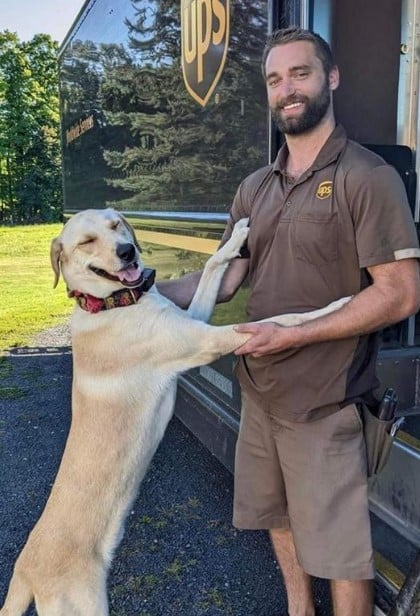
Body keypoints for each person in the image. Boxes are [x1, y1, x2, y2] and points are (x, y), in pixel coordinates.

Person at [158, 27, 420, 616]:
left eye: (299, 74)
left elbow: (401, 295)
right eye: (275, 80)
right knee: (278, 520)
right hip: (261, 394)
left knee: (340, 554)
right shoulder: (255, 186)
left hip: (324, 404)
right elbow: (223, 278)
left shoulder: (366, 177)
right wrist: (142, 291)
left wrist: (293, 334)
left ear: (331, 78)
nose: (286, 89)